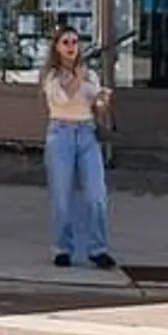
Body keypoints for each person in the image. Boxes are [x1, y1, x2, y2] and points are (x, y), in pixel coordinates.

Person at [43, 25, 115, 270]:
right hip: (61, 134)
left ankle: (98, 248)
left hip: (86, 133)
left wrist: (102, 100)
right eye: (66, 42)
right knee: (62, 196)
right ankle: (62, 248)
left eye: (75, 41)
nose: (72, 46)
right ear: (57, 47)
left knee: (96, 194)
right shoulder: (52, 76)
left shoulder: (89, 74)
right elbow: (62, 98)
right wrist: (78, 78)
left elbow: (95, 104)